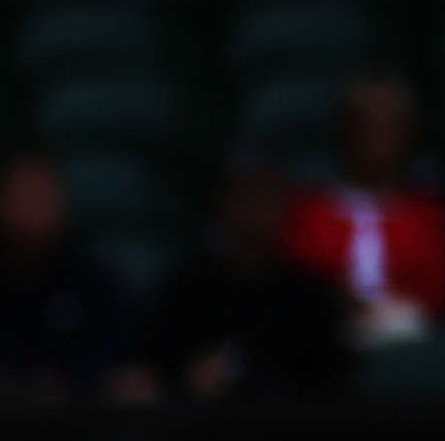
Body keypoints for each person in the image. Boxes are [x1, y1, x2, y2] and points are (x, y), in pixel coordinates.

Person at [0, 149, 146, 402]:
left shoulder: (93, 280)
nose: (38, 209)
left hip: (78, 429)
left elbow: (118, 363)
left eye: (46, 197)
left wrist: (71, 382)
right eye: (25, 197)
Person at [145, 159, 349, 401]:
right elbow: (151, 375)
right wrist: (186, 379)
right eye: (245, 194)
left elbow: (331, 384)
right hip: (202, 430)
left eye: (268, 195)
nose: (258, 207)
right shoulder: (183, 293)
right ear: (220, 204)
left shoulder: (312, 297)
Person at [279, 75, 445, 341]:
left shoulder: (428, 215)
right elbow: (296, 285)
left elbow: (440, 298)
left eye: (390, 126)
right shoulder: (309, 212)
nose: (378, 138)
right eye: (367, 125)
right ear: (345, 130)